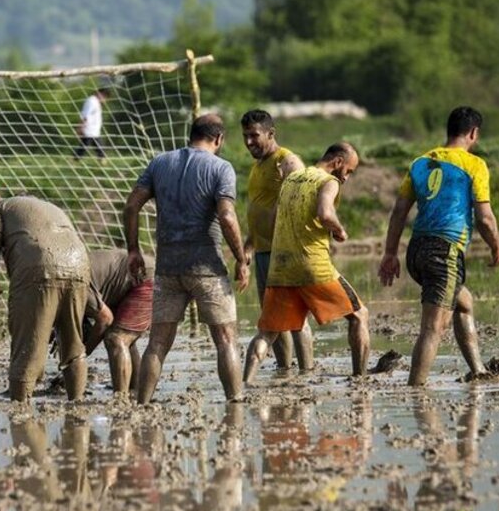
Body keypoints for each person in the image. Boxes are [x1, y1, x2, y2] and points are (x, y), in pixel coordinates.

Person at [123, 113, 250, 404]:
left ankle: (142, 403)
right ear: (218, 139)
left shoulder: (159, 163)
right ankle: (236, 403)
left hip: (168, 268)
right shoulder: (221, 168)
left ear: (191, 135)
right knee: (226, 339)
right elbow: (227, 217)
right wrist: (241, 259)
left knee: (157, 343)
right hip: (206, 267)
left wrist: (133, 249)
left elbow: (131, 205)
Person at [379, 106, 499, 386]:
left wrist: (390, 253)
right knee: (432, 328)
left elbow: (399, 211)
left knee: (465, 303)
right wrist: (496, 246)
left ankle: (478, 369)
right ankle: (416, 389)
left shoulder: (420, 163)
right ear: (473, 133)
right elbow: (484, 217)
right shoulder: (474, 165)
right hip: (444, 252)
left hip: (417, 251)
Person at [243, 143, 370, 384]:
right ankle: (360, 379)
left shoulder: (290, 180)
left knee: (267, 332)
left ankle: (244, 384)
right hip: (314, 266)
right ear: (338, 162)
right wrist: (339, 230)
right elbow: (325, 212)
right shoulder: (328, 181)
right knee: (360, 315)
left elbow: (273, 219)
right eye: (349, 171)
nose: (347, 177)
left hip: (280, 268)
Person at [0, 195, 89, 401]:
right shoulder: (53, 208)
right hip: (79, 263)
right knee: (73, 343)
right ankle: (77, 404)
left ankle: (20, 412)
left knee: (27, 347)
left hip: (38, 266)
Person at [240, 109, 313, 371]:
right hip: (262, 251)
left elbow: (301, 204)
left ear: (271, 134)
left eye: (254, 136)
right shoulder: (257, 167)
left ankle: (307, 372)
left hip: (286, 253)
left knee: (295, 317)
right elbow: (261, 209)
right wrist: (248, 246)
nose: (249, 142)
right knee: (273, 318)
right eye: (245, 136)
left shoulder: (288, 161)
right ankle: (284, 370)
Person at [82, 248, 154, 395]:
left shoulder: (75, 284)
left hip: (145, 278)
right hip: (125, 282)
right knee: (127, 340)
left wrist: (82, 355)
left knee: (116, 339)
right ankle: (135, 389)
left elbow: (105, 319)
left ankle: (120, 399)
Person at [74, 86, 109, 159]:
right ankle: (73, 162)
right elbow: (85, 115)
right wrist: (80, 127)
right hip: (89, 131)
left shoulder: (95, 102)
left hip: (94, 131)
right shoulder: (91, 101)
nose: (104, 100)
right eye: (104, 97)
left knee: (98, 150)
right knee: (83, 149)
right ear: (100, 94)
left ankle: (102, 163)